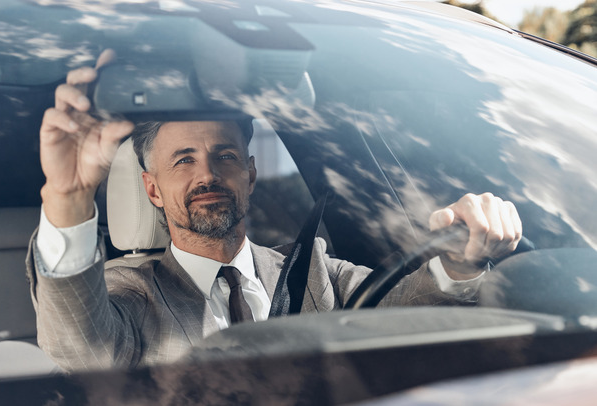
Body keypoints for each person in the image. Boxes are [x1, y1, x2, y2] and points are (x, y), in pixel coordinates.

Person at [27, 54, 523, 372]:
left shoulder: (316, 271)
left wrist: (459, 263)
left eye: (224, 156)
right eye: (184, 161)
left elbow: (405, 319)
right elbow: (81, 346)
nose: (208, 175)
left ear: (250, 173)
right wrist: (69, 197)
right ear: (152, 190)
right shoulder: (130, 291)